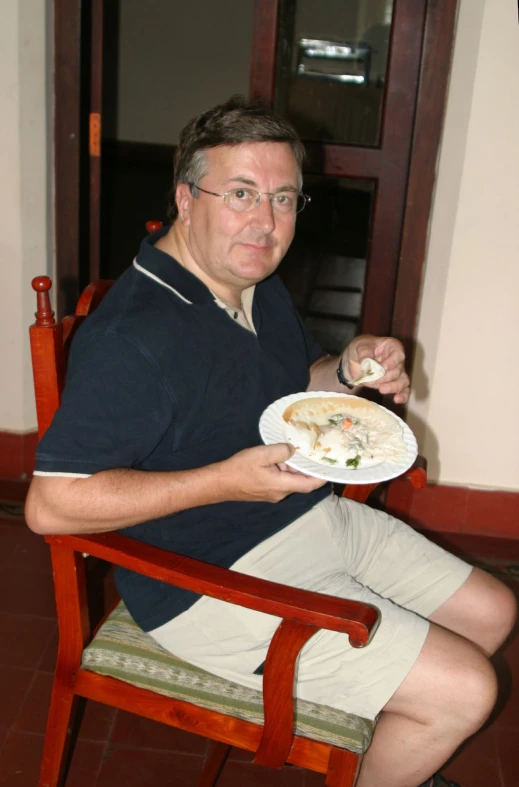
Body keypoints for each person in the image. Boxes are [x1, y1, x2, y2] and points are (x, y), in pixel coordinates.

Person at [26, 96, 515, 787]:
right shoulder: (131, 339)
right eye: (241, 194)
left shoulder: (247, 281)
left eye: (283, 198)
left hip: (296, 515)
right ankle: (408, 737)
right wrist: (225, 479)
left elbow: (299, 382)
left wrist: (347, 368)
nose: (266, 222)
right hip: (203, 580)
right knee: (466, 689)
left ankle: (390, 750)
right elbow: (50, 507)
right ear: (184, 199)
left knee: (492, 610)